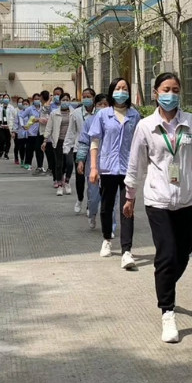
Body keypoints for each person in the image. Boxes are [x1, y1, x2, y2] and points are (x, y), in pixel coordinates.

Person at [123, 72, 192, 343]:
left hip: (187, 198)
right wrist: (130, 196)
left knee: (183, 253)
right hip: (158, 199)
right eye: (166, 89)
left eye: (176, 90)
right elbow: (135, 164)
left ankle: (164, 281)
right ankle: (167, 312)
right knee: (166, 255)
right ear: (155, 93)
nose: (171, 94)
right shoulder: (145, 126)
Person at [89, 77, 141, 269]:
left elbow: (140, 142)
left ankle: (127, 251)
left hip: (128, 168)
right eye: (118, 88)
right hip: (108, 168)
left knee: (127, 208)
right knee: (106, 207)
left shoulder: (135, 115)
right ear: (112, 91)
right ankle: (106, 239)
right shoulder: (103, 115)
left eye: (124, 88)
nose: (121, 91)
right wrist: (94, 168)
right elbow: (95, 141)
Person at [76, 92, 107, 229]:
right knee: (93, 196)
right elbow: (84, 142)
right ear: (95, 106)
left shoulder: (114, 121)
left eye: (106, 104)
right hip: (93, 164)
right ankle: (92, 214)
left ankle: (109, 225)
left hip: (110, 165)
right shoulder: (89, 121)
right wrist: (81, 160)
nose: (103, 107)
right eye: (100, 104)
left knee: (110, 197)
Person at [64, 87, 96, 214]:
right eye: (84, 97)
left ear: (93, 98)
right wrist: (67, 146)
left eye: (89, 97)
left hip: (94, 150)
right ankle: (80, 199)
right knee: (80, 178)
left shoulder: (98, 113)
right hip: (79, 149)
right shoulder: (76, 113)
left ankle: (89, 204)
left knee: (92, 179)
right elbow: (71, 131)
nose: (86, 99)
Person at [44, 92, 74, 196]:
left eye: (67, 100)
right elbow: (49, 127)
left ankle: (67, 181)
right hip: (58, 141)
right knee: (58, 164)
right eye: (63, 100)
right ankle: (60, 185)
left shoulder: (74, 113)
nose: (65, 101)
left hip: (69, 142)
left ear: (70, 101)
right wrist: (45, 140)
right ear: (60, 101)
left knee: (70, 163)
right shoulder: (54, 113)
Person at [0, 93, 16, 159]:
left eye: (7, 98)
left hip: (8, 126)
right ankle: (1, 151)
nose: (6, 99)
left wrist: (11, 126)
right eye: (4, 98)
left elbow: (14, 117)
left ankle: (6, 153)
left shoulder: (11, 107)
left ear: (9, 99)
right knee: (1, 140)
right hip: (0, 126)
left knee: (8, 141)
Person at [21, 95, 42, 171]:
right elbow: (21, 116)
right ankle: (28, 164)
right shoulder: (29, 109)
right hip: (31, 133)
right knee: (29, 150)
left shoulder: (43, 108)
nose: (37, 100)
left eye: (38, 99)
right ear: (33, 100)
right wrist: (23, 125)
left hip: (40, 132)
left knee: (39, 150)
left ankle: (40, 166)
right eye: (35, 99)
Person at [13, 97, 28, 165]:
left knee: (27, 148)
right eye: (23, 104)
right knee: (20, 147)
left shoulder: (31, 113)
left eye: (26, 104)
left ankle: (27, 160)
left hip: (29, 133)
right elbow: (16, 123)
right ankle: (21, 159)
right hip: (20, 133)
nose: (25, 105)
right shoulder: (19, 113)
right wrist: (14, 131)